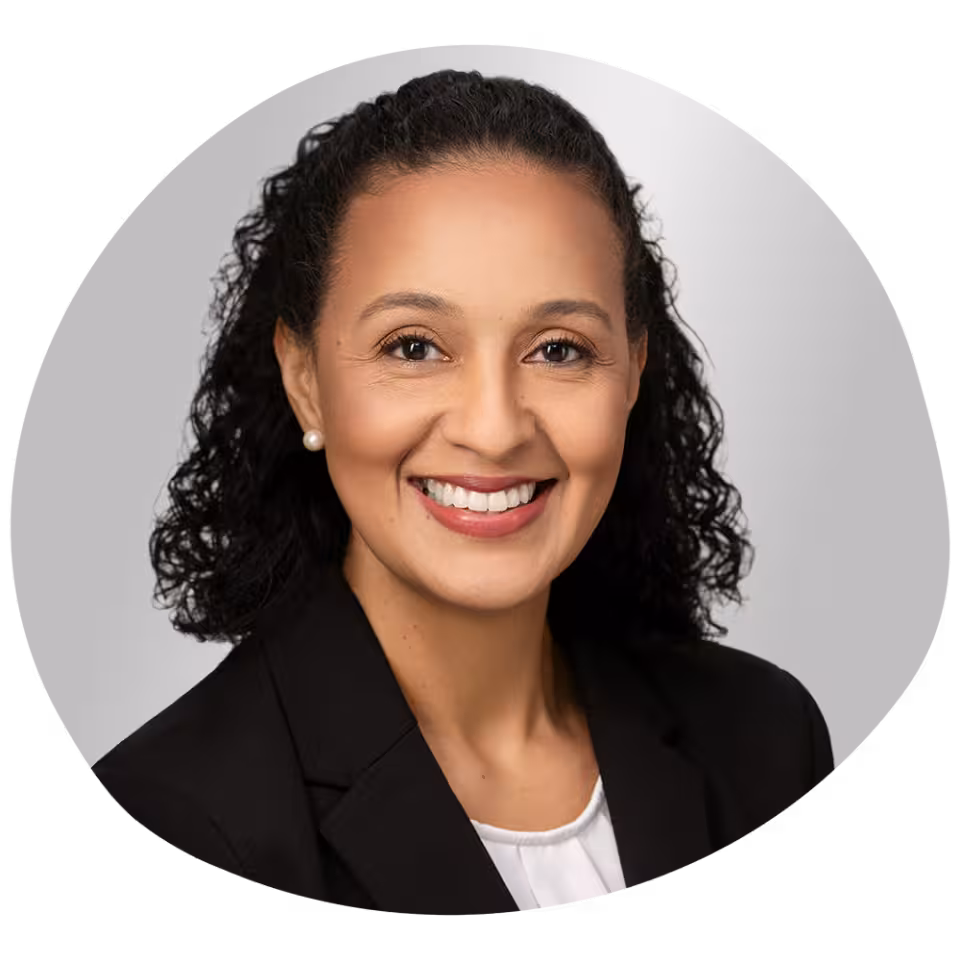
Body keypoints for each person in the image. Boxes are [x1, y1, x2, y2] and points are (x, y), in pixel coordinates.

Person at [91, 69, 834, 914]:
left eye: (559, 349)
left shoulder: (768, 742)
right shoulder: (175, 818)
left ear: (633, 372)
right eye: (414, 347)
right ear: (305, 383)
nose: (494, 428)